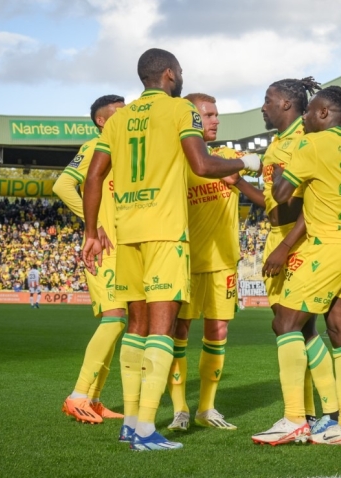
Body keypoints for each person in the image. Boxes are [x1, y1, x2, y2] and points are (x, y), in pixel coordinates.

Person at [81, 48, 260, 452]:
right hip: (165, 232)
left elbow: (94, 176)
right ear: (168, 75)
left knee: (136, 327)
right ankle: (146, 429)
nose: (180, 76)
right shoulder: (181, 111)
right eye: (178, 72)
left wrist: (91, 231)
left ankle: (129, 422)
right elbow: (201, 165)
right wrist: (245, 162)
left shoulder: (120, 118)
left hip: (127, 233)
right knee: (162, 329)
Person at [253, 85, 341, 446]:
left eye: (310, 113)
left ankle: (294, 418)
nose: (305, 118)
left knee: (286, 323)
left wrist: (282, 167)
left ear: (324, 113)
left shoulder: (310, 145)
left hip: (326, 247)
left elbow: (280, 194)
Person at [240, 77, 324, 428]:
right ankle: (308, 413)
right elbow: (274, 200)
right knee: (296, 330)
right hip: (276, 235)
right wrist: (241, 184)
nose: (263, 106)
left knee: (291, 325)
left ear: (287, 104)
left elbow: (314, 202)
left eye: (268, 100)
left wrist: (288, 245)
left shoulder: (305, 139)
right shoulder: (276, 145)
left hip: (298, 239)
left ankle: (322, 413)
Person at [166, 93, 241, 432]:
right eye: (208, 115)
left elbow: (257, 190)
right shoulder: (177, 162)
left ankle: (206, 408)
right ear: (191, 118)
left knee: (218, 331)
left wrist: (239, 174)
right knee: (178, 332)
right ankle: (180, 408)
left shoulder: (230, 158)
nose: (215, 120)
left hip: (224, 262)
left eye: (216, 114)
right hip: (185, 261)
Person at [53, 94, 128, 425]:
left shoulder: (122, 149)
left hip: (123, 247)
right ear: (102, 121)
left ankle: (94, 399)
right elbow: (63, 185)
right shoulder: (95, 145)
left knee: (119, 320)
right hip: (104, 248)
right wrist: (93, 226)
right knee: (113, 318)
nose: (127, 116)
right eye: (119, 113)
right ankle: (78, 395)